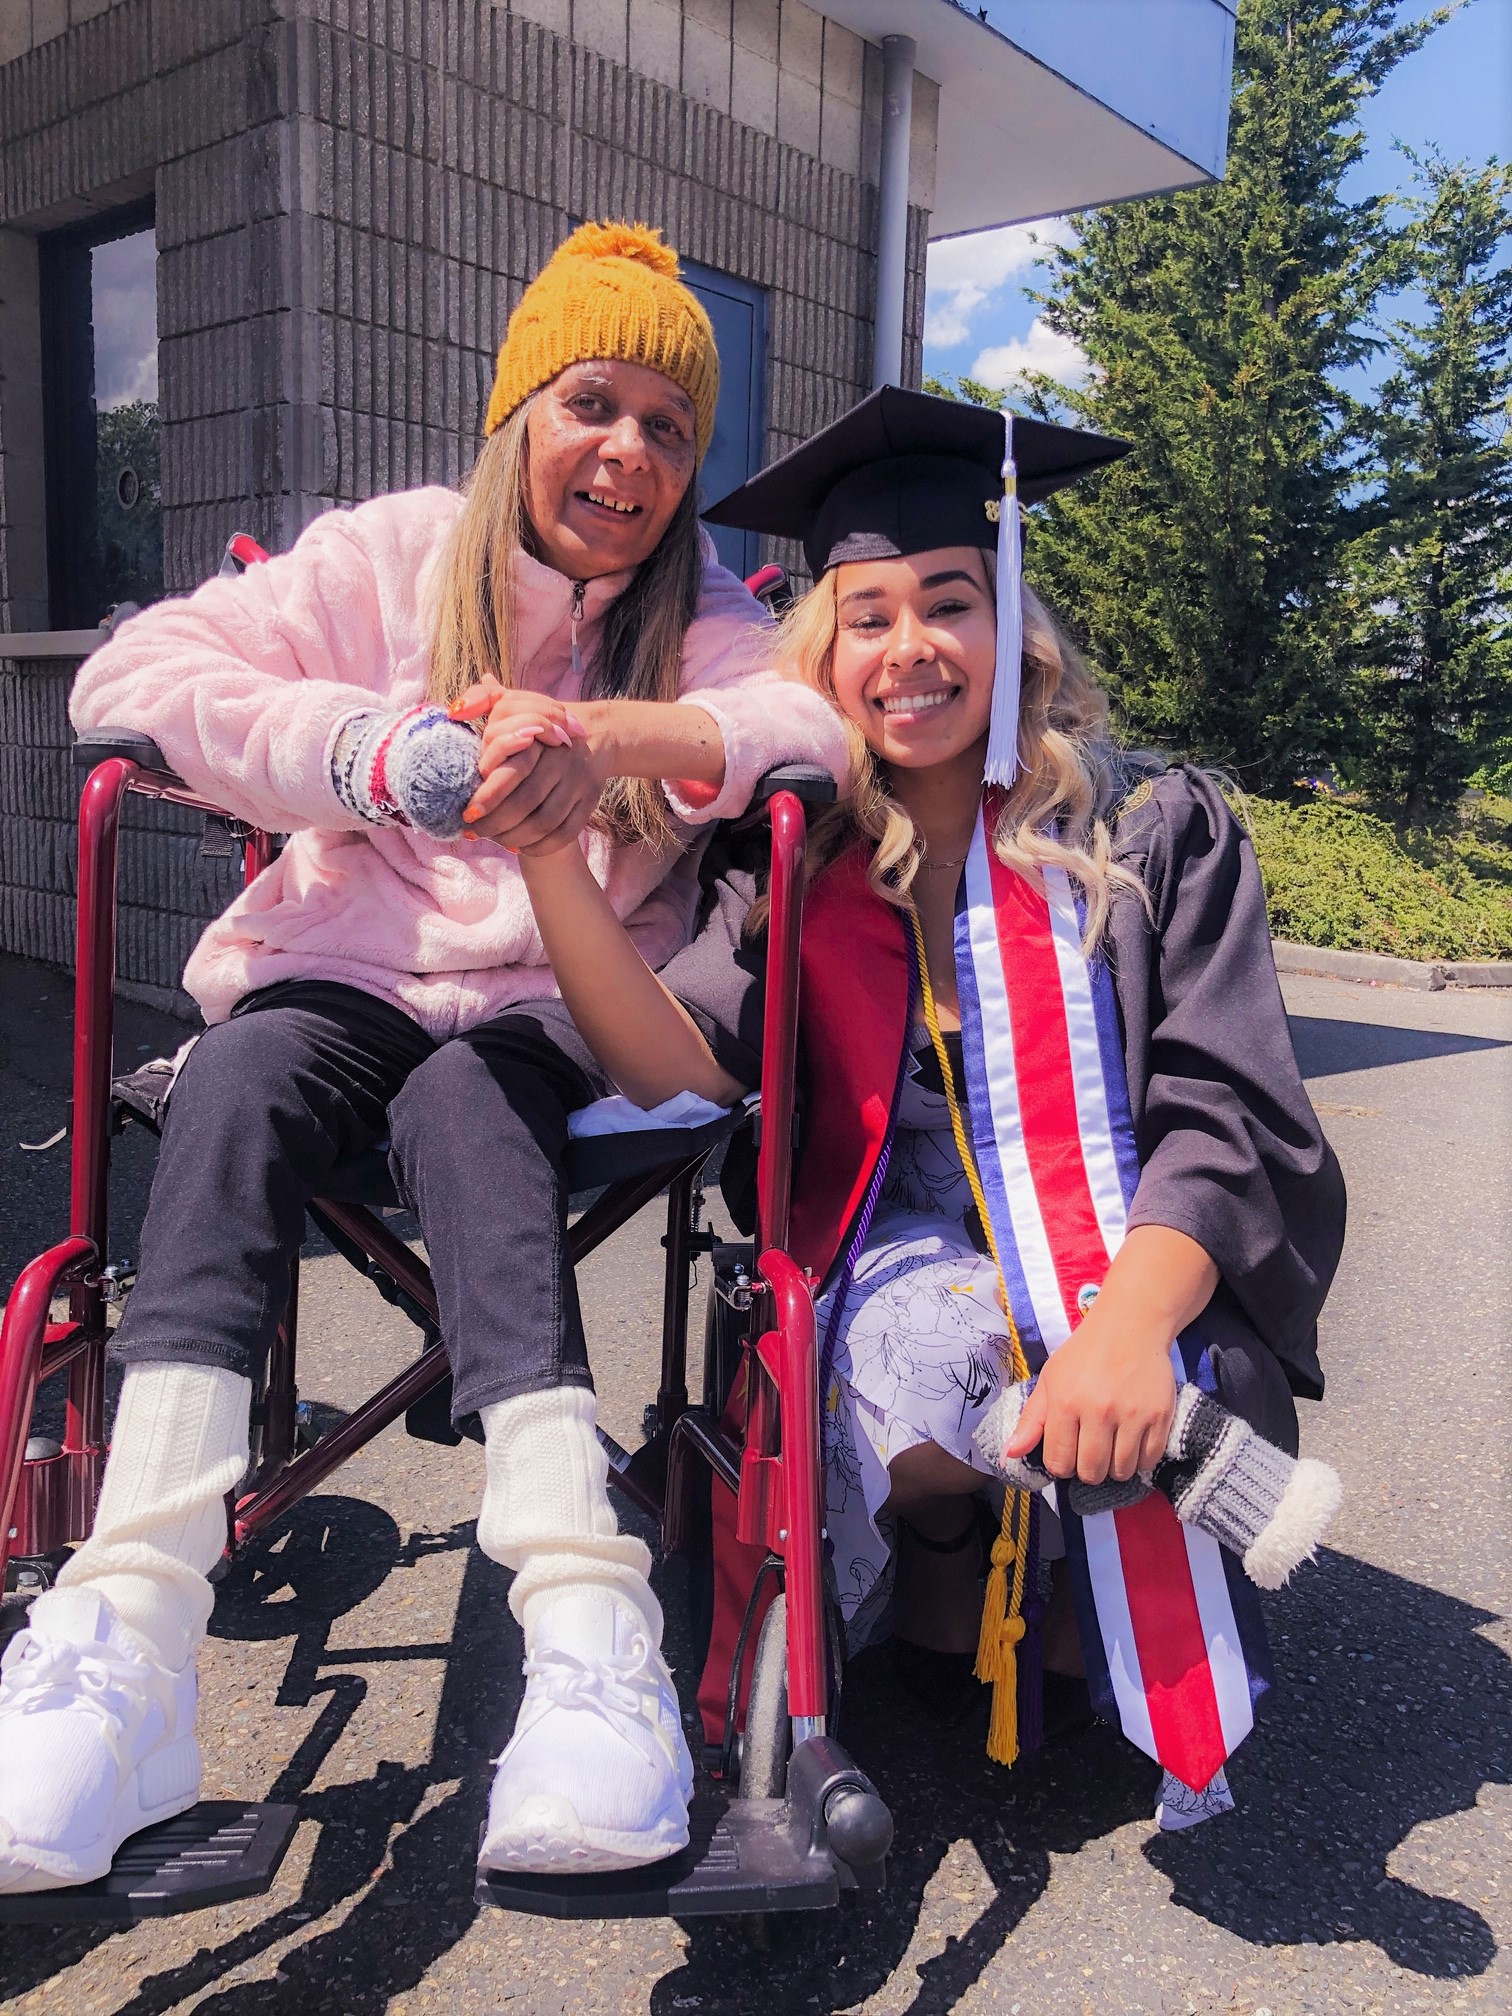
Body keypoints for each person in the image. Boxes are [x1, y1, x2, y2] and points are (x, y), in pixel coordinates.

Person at [0, 222, 850, 1893]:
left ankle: (588, 1628)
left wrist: (603, 738)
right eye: (593, 404)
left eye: (671, 430)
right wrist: (377, 750)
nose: (628, 454)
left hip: (546, 1004)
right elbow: (135, 672)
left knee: (476, 1096)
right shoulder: (391, 556)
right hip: (347, 965)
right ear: (521, 410)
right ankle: (123, 1639)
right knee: (236, 1076)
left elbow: (802, 734)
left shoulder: (704, 615)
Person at [512, 385, 1346, 1830]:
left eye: (948, 603)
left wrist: (1132, 1327)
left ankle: (1068, 1517)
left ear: (1015, 622)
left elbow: (1226, 1118)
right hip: (902, 1258)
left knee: (1120, 1342)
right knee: (932, 1321)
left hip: (1136, 1252)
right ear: (822, 659)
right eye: (869, 614)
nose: (910, 651)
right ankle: (955, 1528)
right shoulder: (800, 859)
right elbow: (681, 1060)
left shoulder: (1154, 834)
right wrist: (545, 862)